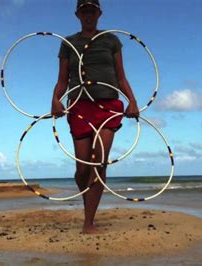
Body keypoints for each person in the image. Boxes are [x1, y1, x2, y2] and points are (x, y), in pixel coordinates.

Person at [51, 0, 139, 234]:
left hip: (108, 104)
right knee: (82, 168)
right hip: (79, 105)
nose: (88, 15)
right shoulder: (68, 43)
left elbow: (121, 77)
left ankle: (88, 222)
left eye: (92, 11)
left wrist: (132, 101)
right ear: (77, 14)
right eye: (84, 11)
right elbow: (62, 80)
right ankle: (87, 202)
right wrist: (55, 100)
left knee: (99, 163)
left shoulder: (111, 40)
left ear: (99, 13)